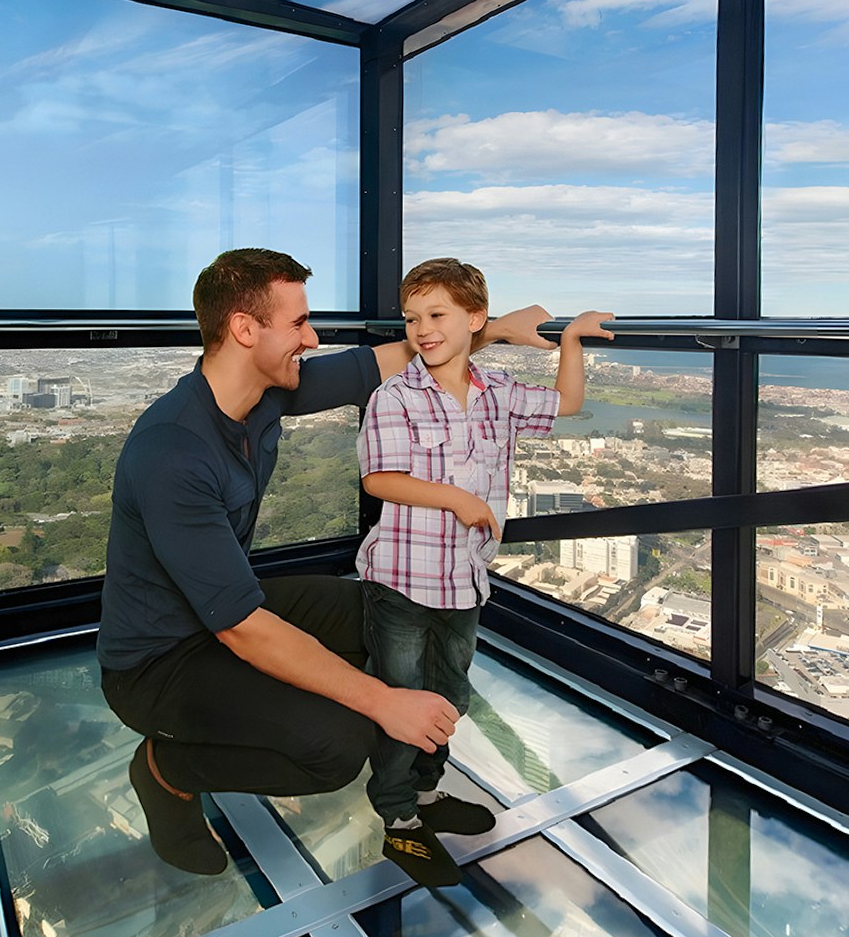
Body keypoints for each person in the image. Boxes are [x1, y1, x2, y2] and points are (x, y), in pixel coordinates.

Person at [97, 248, 554, 875]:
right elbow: (243, 626)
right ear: (244, 328)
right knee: (338, 746)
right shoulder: (172, 450)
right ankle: (166, 769)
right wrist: (381, 702)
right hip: (159, 660)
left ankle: (416, 792)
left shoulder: (262, 393)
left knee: (384, 613)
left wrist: (491, 327)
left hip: (219, 611)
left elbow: (382, 362)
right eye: (299, 324)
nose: (311, 338)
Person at [356, 257, 613, 886]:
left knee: (448, 697)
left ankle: (425, 794)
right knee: (405, 704)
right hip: (400, 581)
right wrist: (458, 499)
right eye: (413, 318)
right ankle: (397, 819)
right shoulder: (395, 396)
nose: (422, 329)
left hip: (464, 581)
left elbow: (569, 402)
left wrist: (571, 340)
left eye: (437, 315)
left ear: (476, 320)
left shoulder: (498, 393)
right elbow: (379, 479)